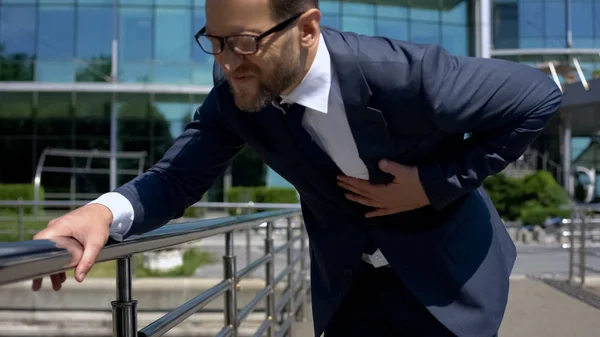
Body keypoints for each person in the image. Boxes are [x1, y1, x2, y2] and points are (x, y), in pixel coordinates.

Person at [32, 0, 563, 336]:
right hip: (350, 290)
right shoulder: (235, 97)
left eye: (243, 42)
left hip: (449, 284)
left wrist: (430, 185)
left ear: (306, 28)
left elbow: (538, 96)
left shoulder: (410, 75)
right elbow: (175, 177)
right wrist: (102, 212)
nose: (227, 61)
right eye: (214, 43)